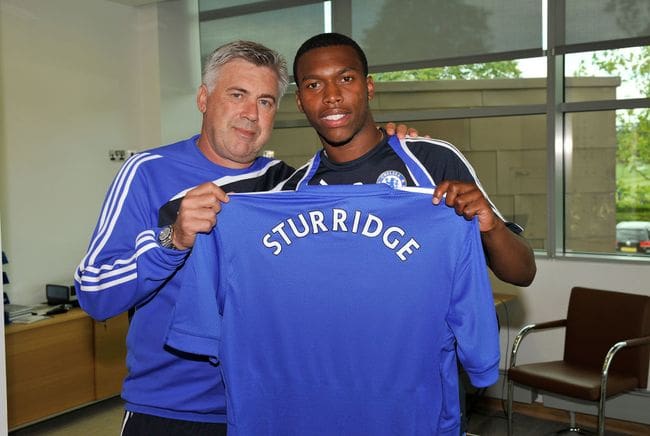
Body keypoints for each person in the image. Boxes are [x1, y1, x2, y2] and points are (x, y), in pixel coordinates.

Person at [74, 41, 295, 436]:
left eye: (265, 102)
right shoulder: (146, 172)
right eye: (237, 95)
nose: (250, 114)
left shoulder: (291, 186)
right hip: (169, 410)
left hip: (268, 405)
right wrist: (171, 240)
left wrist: (399, 146)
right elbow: (95, 293)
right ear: (203, 99)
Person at [276, 32, 536, 286]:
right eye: (313, 85)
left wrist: (491, 227)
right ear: (299, 101)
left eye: (345, 78)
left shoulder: (432, 158)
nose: (331, 95)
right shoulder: (293, 192)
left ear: (368, 87)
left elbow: (522, 273)